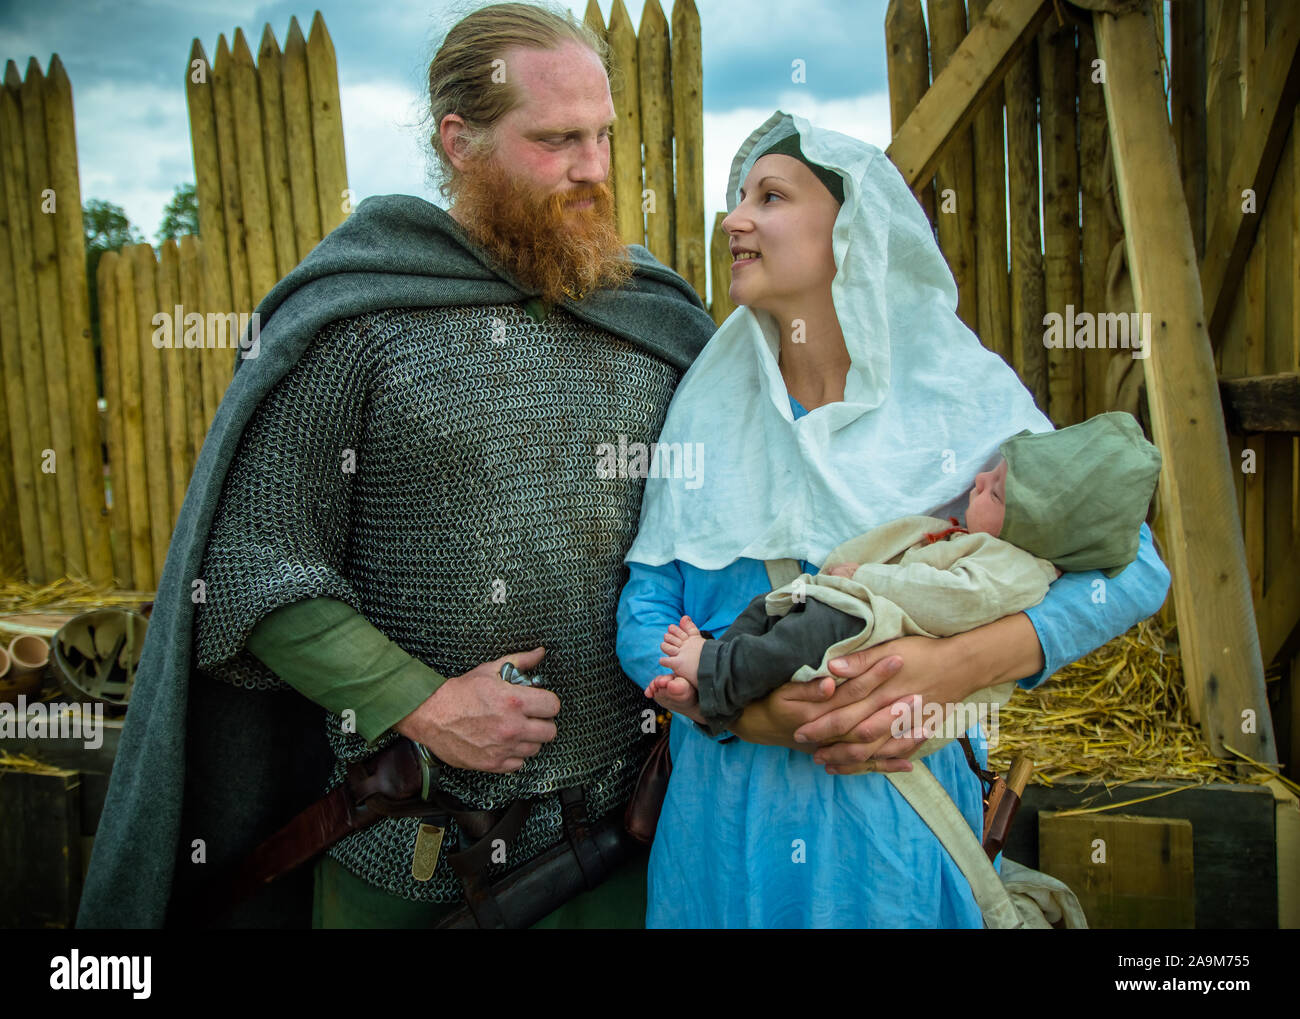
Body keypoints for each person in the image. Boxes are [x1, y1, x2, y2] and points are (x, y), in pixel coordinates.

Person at [76, 3, 722, 929]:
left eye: (603, 135)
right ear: (459, 140)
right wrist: (420, 702)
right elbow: (254, 563)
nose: (593, 168)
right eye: (556, 140)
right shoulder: (364, 319)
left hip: (628, 839)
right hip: (416, 847)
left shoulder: (651, 316)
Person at [616, 111, 1172, 928]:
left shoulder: (955, 398)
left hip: (893, 834)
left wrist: (961, 665)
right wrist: (742, 708)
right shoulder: (708, 403)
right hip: (724, 833)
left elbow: (1136, 568)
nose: (734, 219)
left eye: (770, 196)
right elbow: (644, 611)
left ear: (855, 233)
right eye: (738, 197)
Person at [650, 412, 1163, 743]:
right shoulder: (716, 384)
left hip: (875, 626)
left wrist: (962, 662)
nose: (978, 481)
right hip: (855, 605)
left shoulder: (1017, 567)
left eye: (997, 492)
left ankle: (715, 670)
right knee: (769, 610)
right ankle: (713, 682)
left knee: (806, 633)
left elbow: (951, 600)